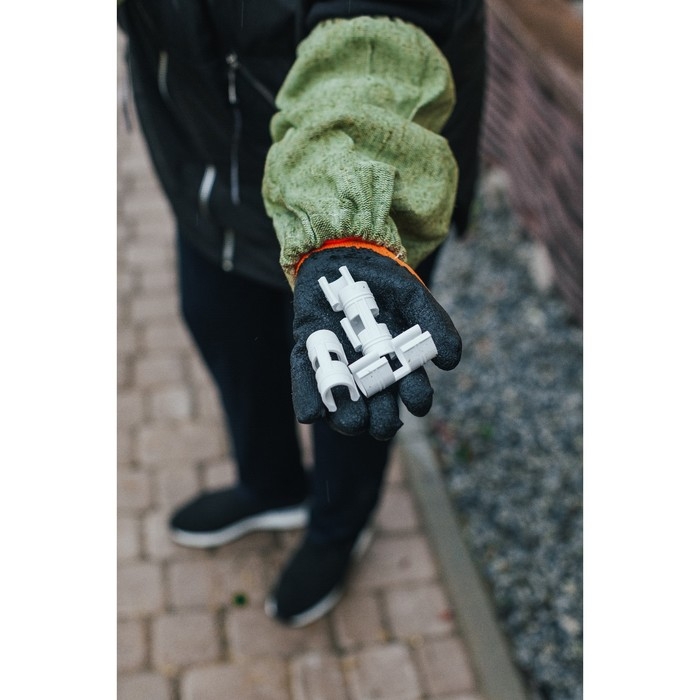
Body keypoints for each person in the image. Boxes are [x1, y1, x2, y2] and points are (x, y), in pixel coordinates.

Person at [117, 0, 485, 628]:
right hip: (204, 171)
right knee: (221, 323)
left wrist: (344, 225)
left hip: (358, 178)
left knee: (354, 399)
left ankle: (338, 527)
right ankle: (272, 487)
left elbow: (373, 41)